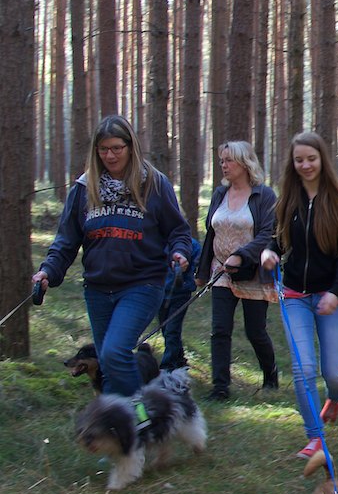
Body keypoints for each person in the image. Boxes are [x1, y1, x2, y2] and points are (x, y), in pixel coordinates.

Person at [32, 114, 192, 396]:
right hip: (97, 289)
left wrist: (180, 252)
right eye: (103, 149)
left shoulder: (154, 184)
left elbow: (178, 230)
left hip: (142, 285)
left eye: (117, 148)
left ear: (131, 147)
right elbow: (66, 241)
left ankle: (140, 414)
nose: (110, 155)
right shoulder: (84, 188)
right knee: (108, 363)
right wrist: (48, 272)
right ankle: (120, 418)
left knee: (115, 352)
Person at [260, 132, 338, 459]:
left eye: (311, 159)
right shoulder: (288, 200)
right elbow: (276, 240)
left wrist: (334, 292)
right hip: (294, 296)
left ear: (322, 160)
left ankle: (335, 397)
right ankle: (315, 438)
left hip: (331, 297)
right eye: (299, 160)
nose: (305, 165)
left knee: (334, 373)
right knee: (303, 368)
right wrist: (268, 253)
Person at [196, 141, 279, 401]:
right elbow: (211, 233)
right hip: (220, 270)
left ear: (245, 163)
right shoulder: (219, 194)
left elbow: (268, 234)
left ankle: (271, 376)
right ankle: (220, 387)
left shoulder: (264, 195)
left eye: (229, 160)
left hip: (253, 271)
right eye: (222, 160)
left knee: (255, 331)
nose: (224, 165)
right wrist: (202, 271)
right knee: (220, 329)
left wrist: (241, 255)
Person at [158, 235, 202, 371]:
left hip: (180, 294)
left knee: (172, 330)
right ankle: (179, 359)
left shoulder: (192, 245)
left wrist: (189, 282)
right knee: (165, 329)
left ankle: (167, 367)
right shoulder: (158, 241)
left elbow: (198, 269)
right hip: (159, 293)